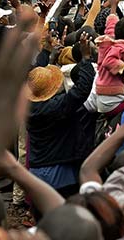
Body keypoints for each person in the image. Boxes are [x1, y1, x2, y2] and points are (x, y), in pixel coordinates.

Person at [27, 34, 96, 197]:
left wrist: (47, 52)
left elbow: (36, 77)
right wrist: (86, 59)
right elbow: (81, 91)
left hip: (37, 170)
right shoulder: (54, 107)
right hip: (58, 174)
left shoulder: (27, 105)